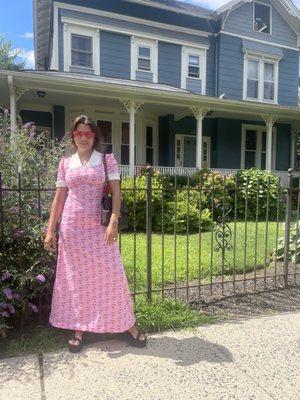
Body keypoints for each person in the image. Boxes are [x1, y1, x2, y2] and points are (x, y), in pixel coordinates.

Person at [44, 115, 147, 352]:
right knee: (77, 279)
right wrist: (51, 229)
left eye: (88, 133)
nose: (83, 137)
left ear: (94, 137)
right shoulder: (65, 163)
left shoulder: (106, 160)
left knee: (113, 276)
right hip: (72, 228)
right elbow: (59, 198)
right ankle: (79, 329)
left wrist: (113, 221)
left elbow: (116, 193)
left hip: (100, 227)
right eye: (79, 133)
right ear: (73, 136)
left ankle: (127, 325)